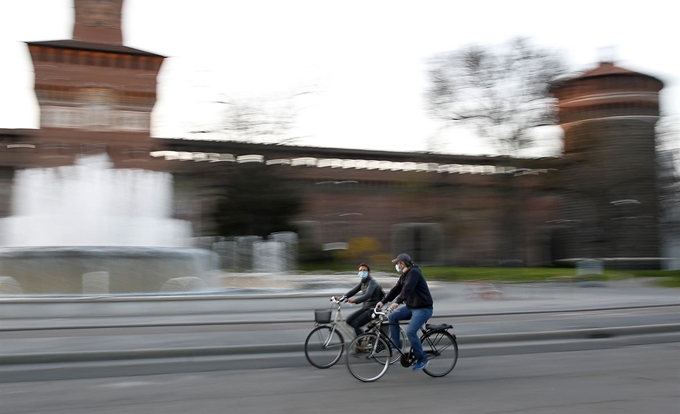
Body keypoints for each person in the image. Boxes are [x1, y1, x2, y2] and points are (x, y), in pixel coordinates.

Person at [377, 253, 433, 371]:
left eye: (397, 263)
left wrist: (397, 302)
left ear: (402, 263)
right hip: (412, 307)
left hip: (424, 308)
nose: (396, 266)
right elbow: (396, 289)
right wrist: (383, 301)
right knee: (393, 317)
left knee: (411, 332)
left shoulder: (414, 273)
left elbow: (407, 289)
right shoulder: (404, 275)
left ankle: (422, 359)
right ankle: (396, 344)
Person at [337, 263, 384, 337]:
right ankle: (363, 339)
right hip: (366, 308)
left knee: (356, 323)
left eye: (364, 270)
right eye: (360, 270)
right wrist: (341, 298)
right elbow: (353, 291)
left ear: (369, 272)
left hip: (373, 309)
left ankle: (361, 341)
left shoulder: (372, 283)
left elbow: (367, 295)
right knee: (349, 320)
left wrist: (355, 300)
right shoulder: (363, 282)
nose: (362, 272)